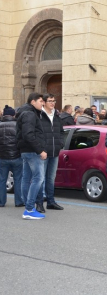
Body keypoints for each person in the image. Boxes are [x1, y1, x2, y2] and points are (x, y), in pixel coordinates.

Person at [16, 92, 47, 220]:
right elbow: (29, 135)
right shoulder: (29, 114)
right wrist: (40, 150)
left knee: (26, 178)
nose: (43, 103)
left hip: (26, 150)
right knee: (38, 178)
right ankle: (29, 208)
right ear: (33, 102)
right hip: (32, 151)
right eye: (41, 101)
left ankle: (28, 208)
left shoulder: (26, 112)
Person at [35, 93, 65, 212]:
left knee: (51, 178)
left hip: (55, 151)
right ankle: (39, 203)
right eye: (50, 101)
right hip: (43, 152)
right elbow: (35, 134)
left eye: (54, 101)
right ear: (44, 102)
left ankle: (51, 201)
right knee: (40, 178)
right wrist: (40, 148)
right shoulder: (39, 115)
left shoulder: (57, 115)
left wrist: (60, 143)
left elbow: (61, 132)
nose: (53, 103)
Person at [0, 105, 24, 207]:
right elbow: (22, 141)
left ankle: (1, 202)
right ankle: (18, 201)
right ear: (13, 114)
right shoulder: (17, 125)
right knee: (18, 179)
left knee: (2, 180)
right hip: (16, 156)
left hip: (2, 157)